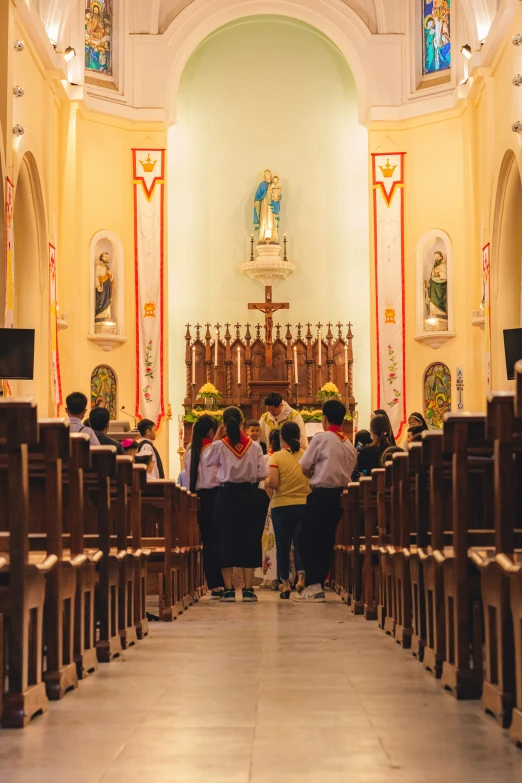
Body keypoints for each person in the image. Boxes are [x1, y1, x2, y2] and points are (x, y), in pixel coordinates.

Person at [293, 399, 357, 603]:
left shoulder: (322, 438)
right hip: (340, 496)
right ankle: (317, 584)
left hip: (321, 494)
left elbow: (304, 466)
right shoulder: (349, 445)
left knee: (306, 539)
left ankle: (315, 585)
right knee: (325, 540)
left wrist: (314, 472)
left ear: (325, 419)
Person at [206, 406, 267, 603]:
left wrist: (217, 436)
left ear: (224, 424)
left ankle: (229, 590)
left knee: (224, 539)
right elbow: (262, 474)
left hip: (226, 495)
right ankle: (249, 590)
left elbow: (206, 461)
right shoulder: (255, 447)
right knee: (249, 538)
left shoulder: (219, 446)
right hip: (249, 495)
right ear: (243, 423)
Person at [266, 421, 310, 599]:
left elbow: (274, 483)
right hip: (303, 504)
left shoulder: (276, 457)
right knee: (301, 543)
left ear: (281, 438)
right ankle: (301, 578)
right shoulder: (306, 455)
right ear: (299, 437)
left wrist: (268, 481)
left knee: (283, 546)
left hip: (281, 506)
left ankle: (284, 584)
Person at [185, 416, 224, 600]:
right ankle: (222, 582)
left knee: (208, 542)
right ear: (211, 431)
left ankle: (214, 583)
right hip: (215, 496)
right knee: (218, 541)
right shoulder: (212, 449)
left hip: (199, 496)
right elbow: (220, 475)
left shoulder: (191, 451)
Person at [256, 429, 281, 588]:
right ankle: (286, 576)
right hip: (287, 500)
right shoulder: (293, 456)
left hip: (274, 502)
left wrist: (272, 499)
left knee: (271, 540)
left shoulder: (272, 458)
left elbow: (266, 483)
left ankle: (271, 576)